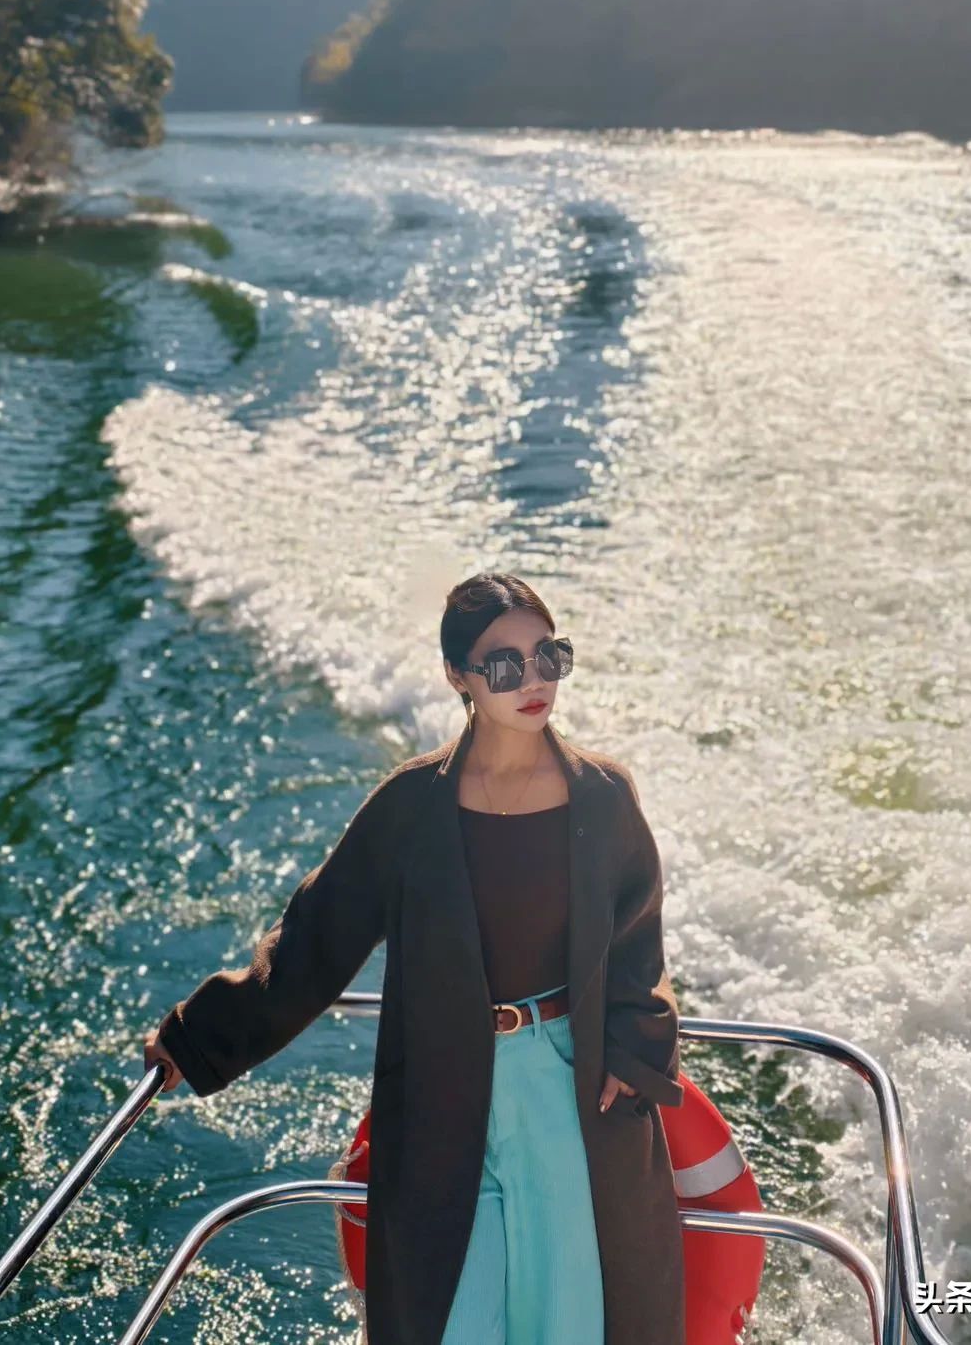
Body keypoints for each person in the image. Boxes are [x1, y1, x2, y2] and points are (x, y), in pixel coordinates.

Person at [144, 571, 685, 1345]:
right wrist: (196, 1039)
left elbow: (638, 940)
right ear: (458, 675)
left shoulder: (603, 795)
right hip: (441, 1094)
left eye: (548, 656)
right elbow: (315, 938)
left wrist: (634, 1053)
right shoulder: (410, 805)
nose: (533, 681)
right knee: (454, 1320)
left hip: (568, 1089)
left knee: (567, 1320)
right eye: (505, 665)